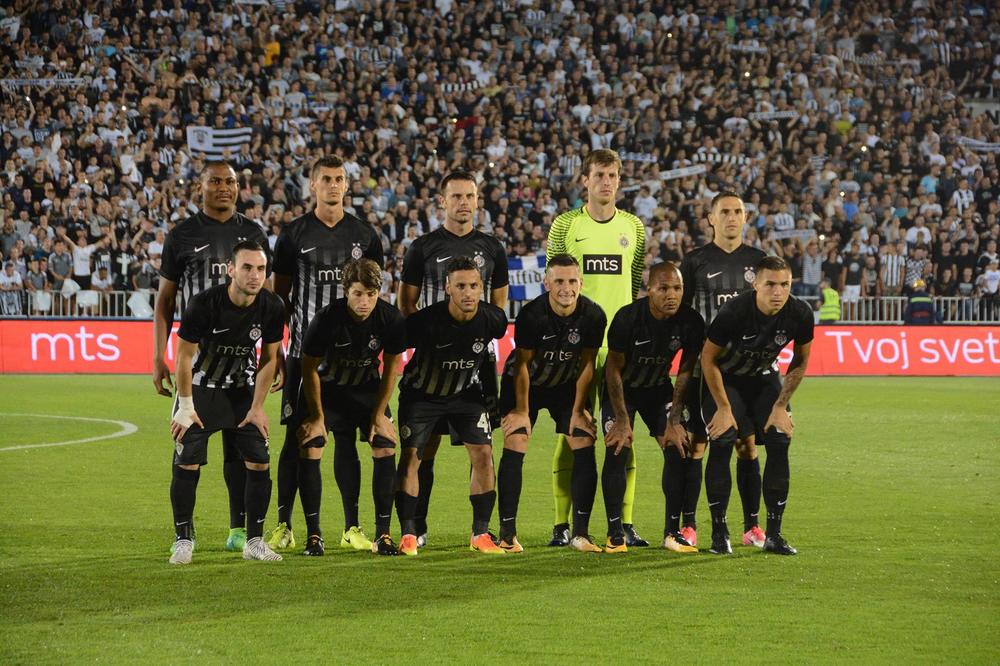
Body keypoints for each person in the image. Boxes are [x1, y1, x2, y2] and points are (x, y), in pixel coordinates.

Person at [268, 155, 384, 552]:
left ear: (347, 186)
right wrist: (277, 354)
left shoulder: (365, 235)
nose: (334, 186)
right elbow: (279, 298)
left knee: (347, 440)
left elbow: (374, 292)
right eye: (326, 179)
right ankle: (284, 524)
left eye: (340, 179)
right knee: (296, 439)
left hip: (351, 361)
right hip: (303, 355)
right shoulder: (294, 235)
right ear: (312, 186)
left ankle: (352, 527)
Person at [155, 160, 270, 554]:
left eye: (232, 182)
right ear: (200, 187)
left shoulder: (252, 233)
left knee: (243, 454)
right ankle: (183, 538)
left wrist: (279, 357)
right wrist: (159, 355)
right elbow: (166, 300)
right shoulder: (182, 235)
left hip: (241, 369)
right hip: (197, 366)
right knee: (188, 451)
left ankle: (242, 531)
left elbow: (265, 302)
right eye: (216, 181)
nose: (225, 188)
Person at [397, 170, 508, 549]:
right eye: (456, 196)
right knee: (422, 454)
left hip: (471, 376)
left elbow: (498, 306)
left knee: (482, 452)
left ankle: (481, 532)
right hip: (430, 369)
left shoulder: (493, 248)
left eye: (470, 196)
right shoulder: (422, 247)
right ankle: (416, 528)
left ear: (478, 200)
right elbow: (406, 305)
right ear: (442, 201)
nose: (464, 202)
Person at [545, 148, 648, 548]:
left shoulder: (634, 228)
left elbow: (634, 282)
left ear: (619, 181)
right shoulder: (565, 226)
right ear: (584, 180)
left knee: (624, 431)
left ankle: (624, 523)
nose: (606, 181)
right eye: (599, 175)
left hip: (621, 352)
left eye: (613, 175)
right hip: (578, 349)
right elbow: (556, 286)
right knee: (571, 433)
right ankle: (561, 524)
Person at [168, 240, 285, 565]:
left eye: (260, 269)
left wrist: (258, 406)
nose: (254, 275)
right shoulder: (204, 304)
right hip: (201, 391)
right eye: (247, 267)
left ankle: (255, 541)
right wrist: (186, 406)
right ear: (230, 270)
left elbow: (269, 359)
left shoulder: (272, 306)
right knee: (187, 462)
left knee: (260, 462)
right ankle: (183, 539)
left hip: (241, 392)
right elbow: (184, 357)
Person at [701, 256, 814, 556]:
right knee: (723, 439)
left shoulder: (800, 313)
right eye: (770, 284)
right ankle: (718, 532)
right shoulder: (734, 311)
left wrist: (781, 405)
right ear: (755, 284)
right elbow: (708, 359)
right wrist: (723, 408)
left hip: (764, 379)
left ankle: (774, 534)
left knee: (779, 438)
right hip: (726, 379)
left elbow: (800, 361)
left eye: (785, 285)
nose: (778, 292)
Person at [296, 259, 406, 556]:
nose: (365, 301)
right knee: (312, 444)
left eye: (371, 294)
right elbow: (308, 369)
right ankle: (314, 535)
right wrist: (317, 416)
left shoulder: (391, 318)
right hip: (328, 390)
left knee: (385, 444)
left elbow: (391, 369)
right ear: (345, 290)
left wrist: (379, 414)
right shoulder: (326, 319)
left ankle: (383, 535)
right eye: (358, 293)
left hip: (367, 390)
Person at [496, 254, 606, 553]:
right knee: (516, 441)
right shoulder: (532, 315)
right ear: (547, 283)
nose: (566, 288)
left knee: (583, 440)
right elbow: (521, 365)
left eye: (572, 281)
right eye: (559, 281)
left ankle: (581, 534)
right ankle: (507, 535)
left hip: (564, 385)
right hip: (526, 384)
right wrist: (520, 410)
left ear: (580, 283)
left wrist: (579, 408)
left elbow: (587, 365)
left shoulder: (594, 316)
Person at [678, 191, 767, 549]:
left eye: (738, 212)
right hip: (704, 371)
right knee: (697, 445)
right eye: (725, 212)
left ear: (745, 218)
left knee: (747, 446)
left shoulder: (760, 262)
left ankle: (752, 527)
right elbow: (681, 314)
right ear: (711, 219)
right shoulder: (695, 261)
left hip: (745, 374)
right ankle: (689, 526)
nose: (732, 217)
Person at [602, 262, 704, 554]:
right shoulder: (628, 318)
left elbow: (685, 369)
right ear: (649, 290)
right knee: (617, 447)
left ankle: (672, 533)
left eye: (677, 288)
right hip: (621, 390)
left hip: (658, 389)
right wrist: (622, 419)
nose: (671, 295)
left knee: (678, 447)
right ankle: (614, 533)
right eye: (664, 288)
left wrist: (674, 418)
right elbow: (613, 371)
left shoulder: (691, 320)